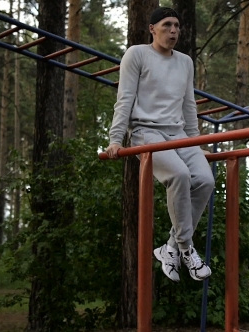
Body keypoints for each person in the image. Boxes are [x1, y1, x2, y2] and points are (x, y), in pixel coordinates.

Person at [105, 7, 214, 282]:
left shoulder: (185, 62)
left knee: (204, 180)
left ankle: (170, 247)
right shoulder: (137, 54)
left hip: (179, 134)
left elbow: (189, 106)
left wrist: (196, 141)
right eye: (167, 25)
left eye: (177, 25)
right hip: (146, 132)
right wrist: (116, 139)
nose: (173, 31)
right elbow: (125, 98)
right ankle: (187, 249)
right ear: (152, 28)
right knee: (178, 175)